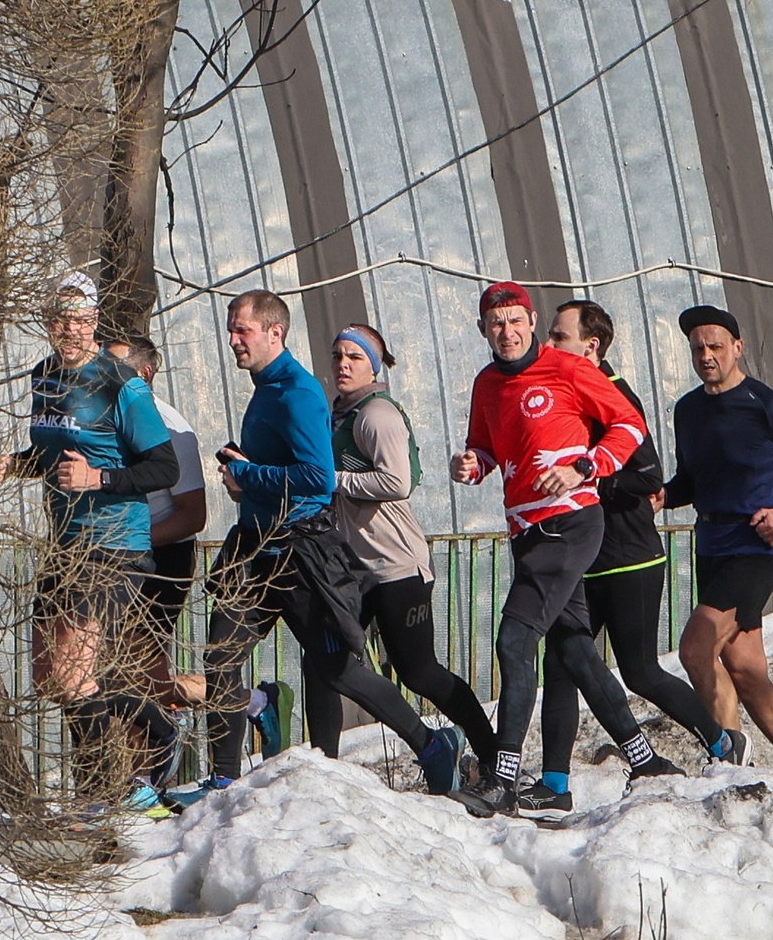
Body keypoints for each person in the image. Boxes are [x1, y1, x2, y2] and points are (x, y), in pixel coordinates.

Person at [176, 289, 450, 803]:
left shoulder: (296, 391)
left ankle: (432, 745)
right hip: (256, 552)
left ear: (274, 333)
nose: (233, 340)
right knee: (220, 656)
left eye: (242, 330)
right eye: (231, 329)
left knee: (340, 670)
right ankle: (223, 783)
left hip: (300, 556)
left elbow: (318, 479)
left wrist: (245, 473)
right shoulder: (264, 388)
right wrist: (245, 474)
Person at [444, 282, 678, 820]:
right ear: (484, 330)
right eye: (495, 323)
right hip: (526, 530)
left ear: (530, 321)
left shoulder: (569, 369)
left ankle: (502, 780)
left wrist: (582, 467)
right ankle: (645, 761)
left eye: (515, 320)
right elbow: (486, 446)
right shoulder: (486, 384)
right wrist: (472, 466)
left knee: (514, 638)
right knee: (573, 648)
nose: (507, 331)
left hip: (571, 522)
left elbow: (629, 425)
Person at [0, 273, 182, 813]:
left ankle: (118, 789)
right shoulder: (44, 375)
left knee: (75, 676)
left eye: (80, 320)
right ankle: (158, 722)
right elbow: (53, 452)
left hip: (115, 542)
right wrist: (18, 463)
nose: (69, 329)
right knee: (50, 677)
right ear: (47, 322)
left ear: (94, 321)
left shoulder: (121, 383)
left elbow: (162, 467)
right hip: (65, 544)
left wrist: (98, 480)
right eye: (59, 319)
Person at [532, 301, 721, 808]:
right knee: (560, 665)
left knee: (639, 671)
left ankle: (723, 740)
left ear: (590, 346)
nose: (549, 346)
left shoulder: (614, 395)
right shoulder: (570, 391)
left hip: (629, 557)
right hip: (584, 557)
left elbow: (648, 476)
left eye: (559, 336)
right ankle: (554, 785)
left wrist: (588, 474)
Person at [663, 305, 773, 782]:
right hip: (711, 541)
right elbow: (691, 481)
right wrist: (659, 496)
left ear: (738, 348)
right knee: (744, 668)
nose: (706, 355)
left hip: (755, 544)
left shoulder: (765, 403)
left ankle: (729, 755)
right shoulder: (687, 409)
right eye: (698, 347)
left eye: (716, 346)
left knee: (696, 649)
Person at [318, 322, 489, 793]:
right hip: (356, 569)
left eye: (354, 357)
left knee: (419, 671)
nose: (343, 365)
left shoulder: (376, 415)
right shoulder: (338, 414)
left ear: (373, 366)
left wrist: (332, 480)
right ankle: (322, 771)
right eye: (337, 356)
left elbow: (397, 482)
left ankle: (490, 751)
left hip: (396, 565)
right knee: (328, 665)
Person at [104, 335, 205, 708]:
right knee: (116, 674)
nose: (104, 376)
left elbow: (193, 515)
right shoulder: (103, 421)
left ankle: (247, 700)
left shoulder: (169, 427)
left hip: (162, 560)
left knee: (140, 674)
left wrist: (133, 537)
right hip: (116, 557)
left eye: (116, 368)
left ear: (144, 374)